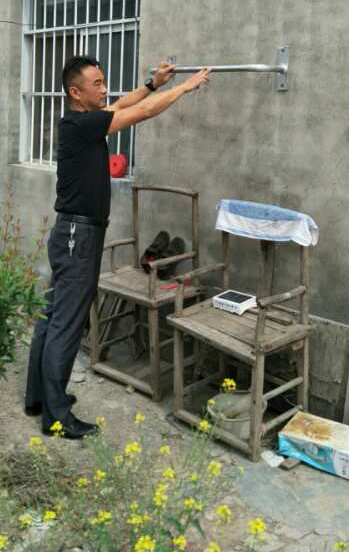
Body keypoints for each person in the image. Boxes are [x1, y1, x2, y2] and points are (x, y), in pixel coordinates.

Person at [25, 56, 210, 438]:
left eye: (103, 80)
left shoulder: (83, 121)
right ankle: (57, 416)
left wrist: (154, 83)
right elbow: (141, 112)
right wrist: (184, 87)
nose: (104, 88)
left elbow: (125, 104)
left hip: (72, 234)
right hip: (79, 237)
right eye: (96, 83)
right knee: (65, 323)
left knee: (53, 315)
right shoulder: (81, 124)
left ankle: (39, 399)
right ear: (76, 93)